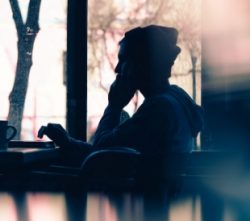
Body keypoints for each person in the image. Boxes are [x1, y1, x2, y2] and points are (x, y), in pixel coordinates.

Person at [38, 25, 204, 161]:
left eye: (123, 59)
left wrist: (114, 106)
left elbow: (99, 155)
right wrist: (67, 142)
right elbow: (111, 149)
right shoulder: (175, 97)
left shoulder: (159, 108)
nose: (117, 68)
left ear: (143, 63)